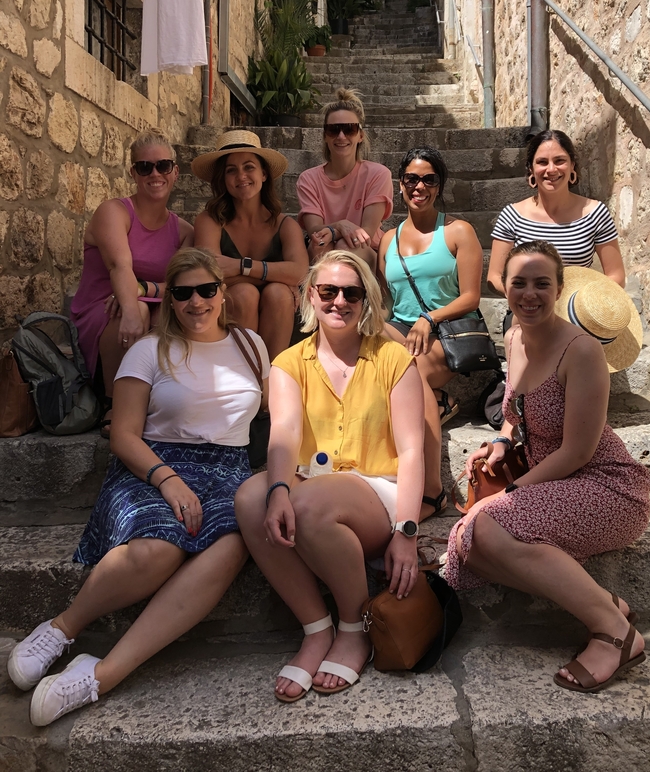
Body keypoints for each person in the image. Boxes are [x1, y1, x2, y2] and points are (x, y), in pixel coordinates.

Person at [8, 248, 267, 725]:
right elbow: (124, 434)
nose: (196, 303)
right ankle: (63, 628)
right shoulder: (149, 349)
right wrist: (167, 481)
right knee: (157, 549)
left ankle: (103, 674)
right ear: (170, 299)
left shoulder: (252, 346)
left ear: (222, 292)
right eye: (184, 293)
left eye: (206, 290)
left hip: (227, 470)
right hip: (153, 464)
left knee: (230, 548)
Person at [445, 240, 650, 693]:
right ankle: (605, 602)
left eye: (542, 283)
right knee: (472, 546)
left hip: (605, 485)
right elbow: (515, 410)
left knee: (490, 526)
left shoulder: (580, 351)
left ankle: (616, 634)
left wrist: (509, 493)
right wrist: (501, 440)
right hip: (554, 481)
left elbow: (577, 451)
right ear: (507, 289)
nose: (529, 293)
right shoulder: (516, 336)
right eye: (519, 283)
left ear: (558, 289)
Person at [235, 250, 425, 702]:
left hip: (378, 491)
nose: (340, 301)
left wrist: (408, 532)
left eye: (352, 293)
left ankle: (355, 627)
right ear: (310, 296)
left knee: (307, 504)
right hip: (310, 484)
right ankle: (316, 628)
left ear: (367, 301)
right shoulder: (288, 363)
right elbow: (282, 432)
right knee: (249, 497)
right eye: (328, 291)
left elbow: (414, 450)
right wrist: (278, 488)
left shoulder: (394, 359)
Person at [378, 147, 484, 520]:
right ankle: (436, 404)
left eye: (428, 179)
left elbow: (471, 297)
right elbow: (390, 301)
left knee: (411, 368)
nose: (419, 186)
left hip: (447, 333)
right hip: (402, 331)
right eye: (411, 178)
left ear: (439, 186)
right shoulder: (388, 240)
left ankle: (433, 491)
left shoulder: (458, 232)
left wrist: (429, 317)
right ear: (400, 185)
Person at [70, 130, 193, 435]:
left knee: (160, 311)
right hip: (104, 309)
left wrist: (145, 291)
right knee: (139, 312)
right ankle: (116, 403)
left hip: (148, 305)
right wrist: (130, 303)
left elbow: (181, 285)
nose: (155, 174)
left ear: (175, 172)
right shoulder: (114, 212)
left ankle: (159, 400)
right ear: (133, 173)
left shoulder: (185, 231)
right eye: (144, 167)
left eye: (163, 166)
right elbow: (119, 265)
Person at [192, 130, 309, 360]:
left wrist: (239, 267)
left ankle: (271, 381)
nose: (241, 176)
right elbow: (209, 276)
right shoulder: (209, 221)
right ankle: (243, 379)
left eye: (249, 167)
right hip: (225, 310)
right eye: (231, 170)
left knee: (278, 294)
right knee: (246, 294)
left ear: (264, 174)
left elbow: (300, 273)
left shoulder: (285, 225)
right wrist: (277, 274)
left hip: (277, 310)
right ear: (223, 179)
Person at [487, 130, 625, 301]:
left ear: (572, 165)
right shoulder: (512, 216)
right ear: (531, 168)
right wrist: (525, 298)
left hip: (578, 311)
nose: (551, 169)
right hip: (528, 310)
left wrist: (584, 303)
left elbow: (616, 275)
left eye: (559, 161)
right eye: (542, 162)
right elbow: (494, 277)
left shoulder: (595, 213)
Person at [296, 88, 393, 269]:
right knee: (320, 245)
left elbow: (367, 233)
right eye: (334, 130)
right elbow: (314, 230)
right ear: (325, 136)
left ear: (360, 135)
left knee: (342, 246)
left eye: (349, 129)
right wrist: (339, 226)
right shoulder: (308, 179)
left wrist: (332, 232)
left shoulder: (378, 174)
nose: (341, 136)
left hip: (366, 250)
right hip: (324, 248)